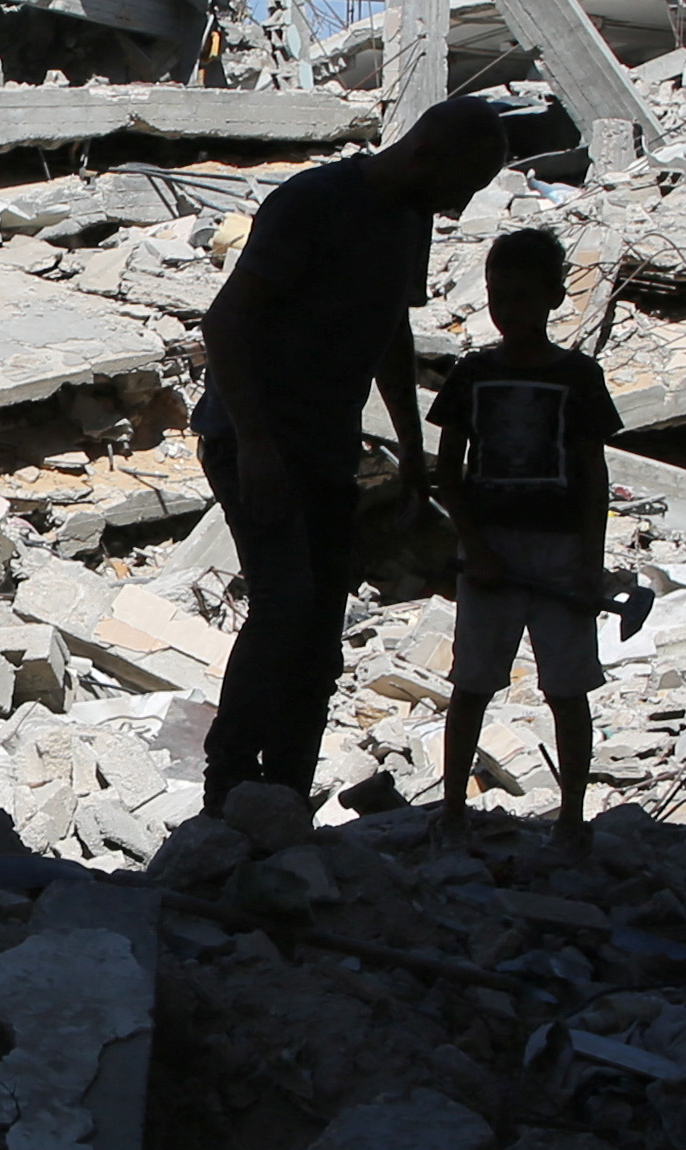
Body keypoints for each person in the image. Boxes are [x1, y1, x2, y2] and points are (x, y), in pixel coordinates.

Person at [190, 97, 513, 811]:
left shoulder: (409, 217)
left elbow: (388, 328)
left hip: (327, 445)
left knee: (320, 628)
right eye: (462, 184)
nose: (460, 204)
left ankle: (287, 791)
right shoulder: (313, 202)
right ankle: (228, 783)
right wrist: (257, 447)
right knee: (285, 604)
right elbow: (225, 321)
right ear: (425, 153)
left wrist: (409, 448)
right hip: (253, 436)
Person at [425, 227, 623, 845]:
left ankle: (571, 816)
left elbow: (594, 474)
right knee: (472, 684)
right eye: (497, 297)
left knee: (567, 688)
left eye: (521, 298)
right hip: (490, 549)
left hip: (560, 550)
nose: (507, 311)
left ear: (553, 298)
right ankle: (452, 808)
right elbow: (446, 473)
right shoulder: (470, 375)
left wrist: (590, 563)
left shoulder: (579, 377)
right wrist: (475, 547)